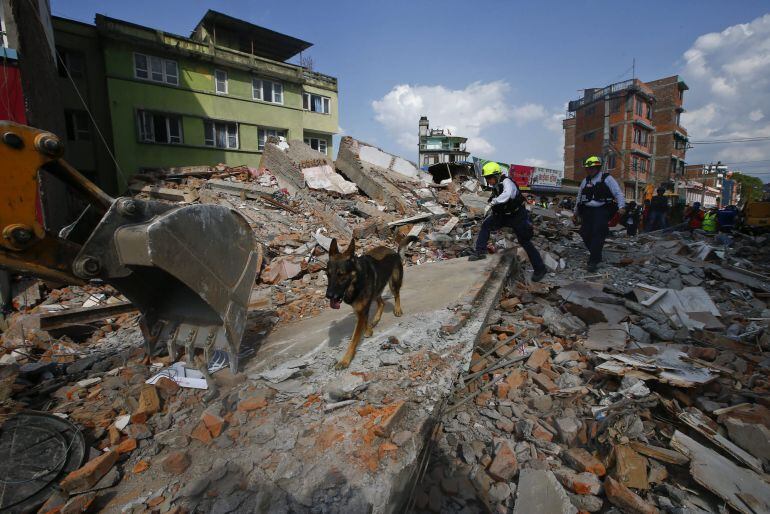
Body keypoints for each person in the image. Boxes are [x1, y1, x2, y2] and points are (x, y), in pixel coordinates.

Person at [470, 162, 547, 282]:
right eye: (487, 179)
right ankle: (480, 251)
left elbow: (507, 195)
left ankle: (540, 269)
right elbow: (497, 200)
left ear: (496, 175)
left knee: (525, 241)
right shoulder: (495, 186)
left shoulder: (507, 182)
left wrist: (493, 202)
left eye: (490, 178)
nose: (488, 181)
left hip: (517, 215)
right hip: (502, 216)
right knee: (486, 225)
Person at [573, 156, 626, 272]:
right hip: (587, 211)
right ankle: (596, 255)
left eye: (593, 168)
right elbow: (579, 197)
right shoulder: (585, 181)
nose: (590, 170)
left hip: (602, 210)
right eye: (588, 168)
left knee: (598, 234)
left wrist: (622, 206)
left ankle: (593, 262)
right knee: (584, 233)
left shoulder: (607, 178)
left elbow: (618, 193)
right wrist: (575, 213)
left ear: (598, 167)